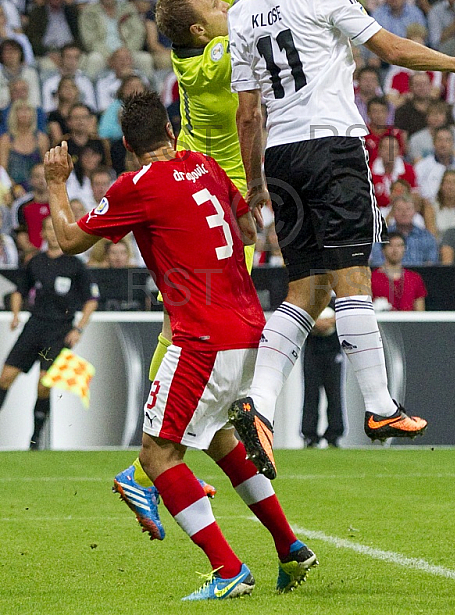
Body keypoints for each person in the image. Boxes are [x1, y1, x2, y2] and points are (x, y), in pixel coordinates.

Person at [227, 0, 455, 478]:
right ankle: (379, 407)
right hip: (333, 147)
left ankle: (260, 406)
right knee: (352, 277)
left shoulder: (241, 14)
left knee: (305, 290)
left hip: (281, 158)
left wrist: (254, 185)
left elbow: (247, 116)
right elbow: (394, 51)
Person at [44, 94, 318, 599]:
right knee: (219, 440)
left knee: (156, 457)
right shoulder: (207, 165)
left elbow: (68, 240)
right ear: (172, 133)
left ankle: (228, 569)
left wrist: (58, 184)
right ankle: (289, 546)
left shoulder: (137, 186)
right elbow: (249, 227)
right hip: (248, 328)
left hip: (202, 339)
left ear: (127, 145)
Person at [110, 0, 309, 541]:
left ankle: (194, 439)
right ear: (202, 30)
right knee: (207, 323)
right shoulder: (214, 63)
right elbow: (248, 9)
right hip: (217, 206)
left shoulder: (200, 39)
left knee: (193, 324)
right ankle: (179, 446)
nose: (225, 5)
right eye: (215, 9)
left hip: (196, 193)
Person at [0, 216, 98, 449]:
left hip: (59, 330)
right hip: (34, 326)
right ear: (43, 234)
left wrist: (79, 329)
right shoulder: (35, 262)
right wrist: (15, 314)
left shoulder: (75, 265)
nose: (53, 234)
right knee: (5, 377)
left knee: (44, 385)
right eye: (48, 230)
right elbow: (18, 291)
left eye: (57, 230)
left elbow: (91, 299)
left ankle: (35, 441)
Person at [301, 303, 346, 449]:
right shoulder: (310, 291)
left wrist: (332, 320)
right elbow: (300, 310)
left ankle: (334, 434)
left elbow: (347, 312)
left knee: (334, 393)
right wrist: (314, 322)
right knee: (310, 393)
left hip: (333, 349)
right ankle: (309, 435)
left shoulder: (339, 291)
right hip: (312, 349)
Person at [371, 232, 427, 311]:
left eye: (399, 246)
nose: (395, 250)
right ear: (383, 249)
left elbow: (420, 312)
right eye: (390, 245)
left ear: (405, 249)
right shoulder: (372, 278)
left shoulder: (414, 278)